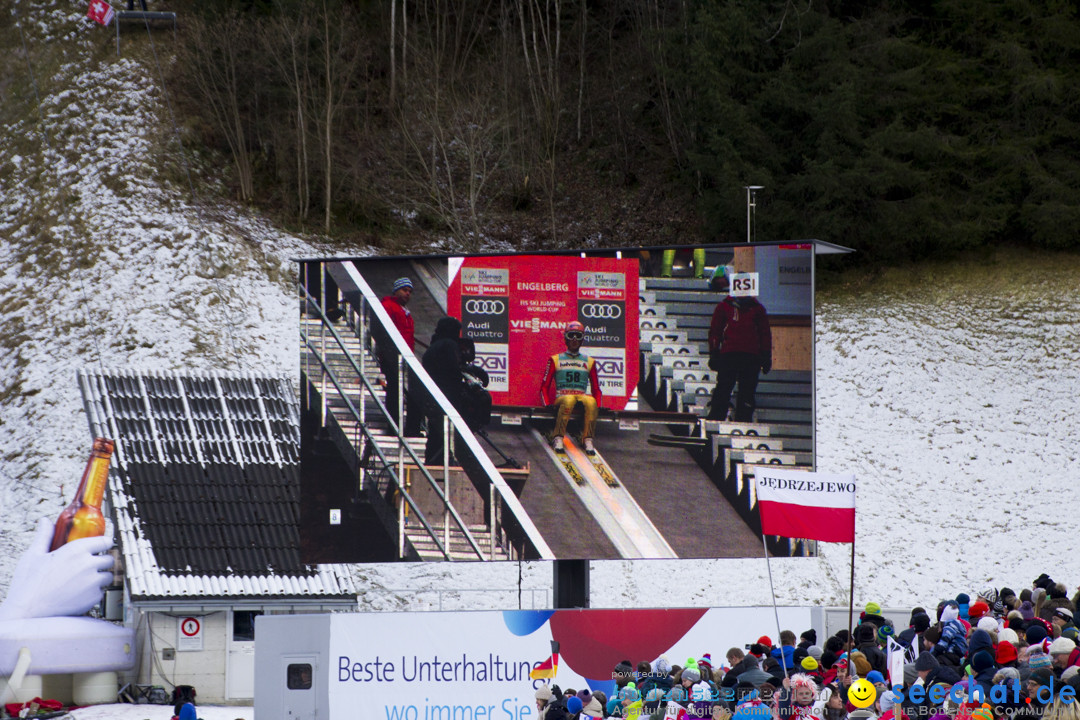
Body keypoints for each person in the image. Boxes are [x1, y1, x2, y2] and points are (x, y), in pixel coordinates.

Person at [706, 264, 772, 423]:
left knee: (746, 392)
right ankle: (716, 420)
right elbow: (715, 331)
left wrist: (766, 356)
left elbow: (765, 334)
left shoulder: (757, 309)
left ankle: (743, 422)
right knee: (724, 388)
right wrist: (714, 352)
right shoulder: (724, 306)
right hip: (731, 354)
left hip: (750, 356)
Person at [539, 321, 602, 454]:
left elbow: (596, 389)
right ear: (566, 337)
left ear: (583, 338)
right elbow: (544, 386)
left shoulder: (590, 361)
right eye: (571, 335)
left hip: (581, 396)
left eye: (578, 336)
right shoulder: (555, 359)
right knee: (568, 400)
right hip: (562, 396)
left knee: (591, 402)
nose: (574, 339)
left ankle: (588, 439)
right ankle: (558, 437)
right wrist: (547, 404)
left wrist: (598, 405)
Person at [375, 277, 422, 436]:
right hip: (393, 357)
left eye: (409, 291)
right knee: (395, 392)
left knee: (398, 392)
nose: (407, 294)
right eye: (404, 290)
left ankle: (399, 426)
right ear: (396, 290)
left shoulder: (403, 311)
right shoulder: (389, 306)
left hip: (403, 357)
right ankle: (393, 426)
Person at [422, 317, 466, 464]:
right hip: (447, 398)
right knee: (444, 435)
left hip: (432, 398)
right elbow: (454, 369)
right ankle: (441, 462)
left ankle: (432, 461)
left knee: (434, 434)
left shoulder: (432, 347)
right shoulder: (448, 345)